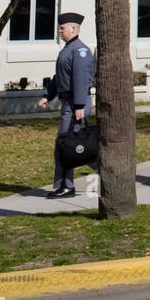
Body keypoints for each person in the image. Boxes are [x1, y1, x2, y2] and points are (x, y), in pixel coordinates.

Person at [37, 11, 95, 198]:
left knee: (68, 144)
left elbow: (80, 80)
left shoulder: (80, 51)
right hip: (69, 102)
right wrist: (48, 95)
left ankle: (68, 186)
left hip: (75, 102)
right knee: (68, 144)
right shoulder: (68, 50)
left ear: (73, 28)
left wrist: (79, 106)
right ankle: (64, 183)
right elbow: (59, 77)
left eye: (62, 28)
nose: (60, 31)